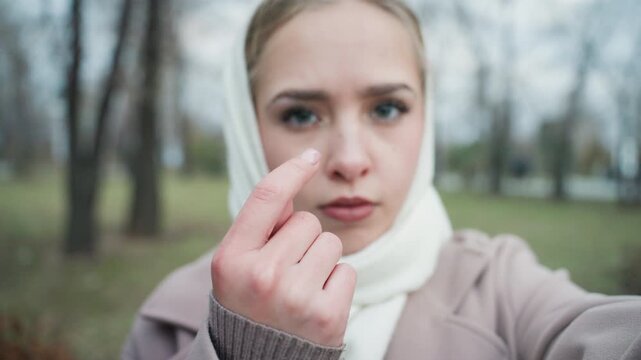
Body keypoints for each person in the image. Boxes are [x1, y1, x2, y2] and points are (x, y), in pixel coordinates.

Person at [122, 0, 641, 359]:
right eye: (302, 115)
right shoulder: (174, 317)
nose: (350, 159)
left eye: (387, 108)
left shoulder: (503, 289)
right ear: (244, 126)